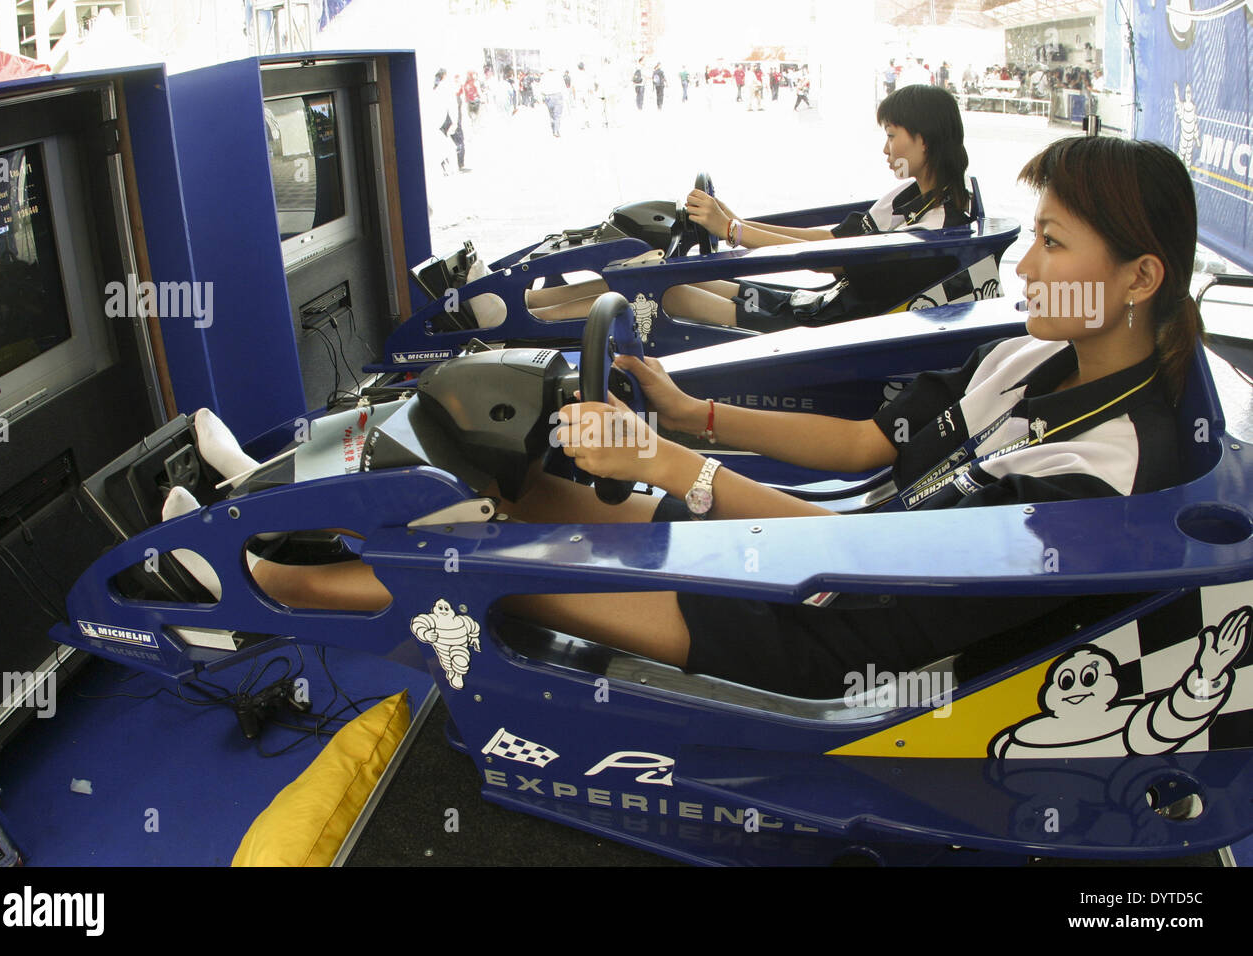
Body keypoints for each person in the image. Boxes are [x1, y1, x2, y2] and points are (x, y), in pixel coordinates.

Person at [166, 137, 1202, 699]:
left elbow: (892, 562)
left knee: (505, 571)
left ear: (1139, 274)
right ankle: (265, 490)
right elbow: (869, 448)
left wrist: (679, 469)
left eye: (1053, 245)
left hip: (839, 626)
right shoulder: (1031, 348)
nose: (1022, 264)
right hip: (825, 543)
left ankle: (257, 588)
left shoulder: (1107, 463)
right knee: (528, 478)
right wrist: (688, 413)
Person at [525, 84, 972, 329]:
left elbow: (829, 258)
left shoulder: (935, 223)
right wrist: (734, 224)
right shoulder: (911, 197)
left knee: (663, 291)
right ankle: (526, 302)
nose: (885, 147)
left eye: (892, 135)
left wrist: (734, 231)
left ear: (923, 139)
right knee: (668, 276)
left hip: (827, 326)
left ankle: (521, 321)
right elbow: (830, 240)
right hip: (821, 304)